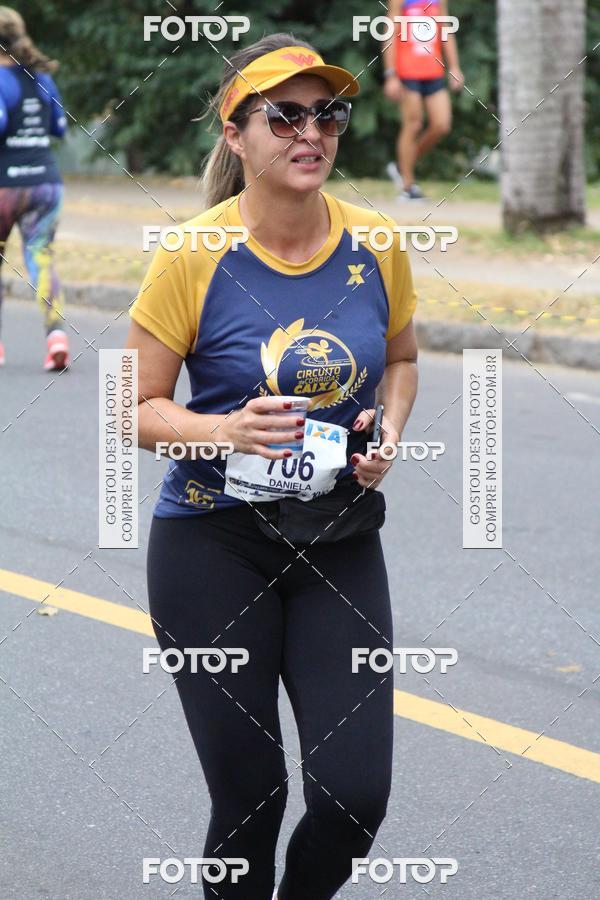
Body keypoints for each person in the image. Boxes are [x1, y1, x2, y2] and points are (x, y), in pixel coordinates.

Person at [126, 32, 419, 900]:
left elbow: (403, 360)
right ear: (236, 133)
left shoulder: (376, 242)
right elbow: (133, 408)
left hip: (338, 540)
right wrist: (225, 430)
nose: (311, 132)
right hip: (212, 546)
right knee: (251, 798)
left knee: (354, 798)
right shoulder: (193, 254)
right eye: (284, 116)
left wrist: (389, 431)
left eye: (327, 113)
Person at [0, 6, 68, 369]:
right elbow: (59, 126)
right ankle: (56, 336)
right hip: (46, 183)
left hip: (4, 184)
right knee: (41, 256)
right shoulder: (41, 77)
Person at [383, 0, 464, 199]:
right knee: (414, 124)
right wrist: (390, 74)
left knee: (442, 124)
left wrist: (454, 67)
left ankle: (403, 166)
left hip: (433, 70)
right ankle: (407, 187)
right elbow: (390, 32)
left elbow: (445, 29)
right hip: (407, 71)